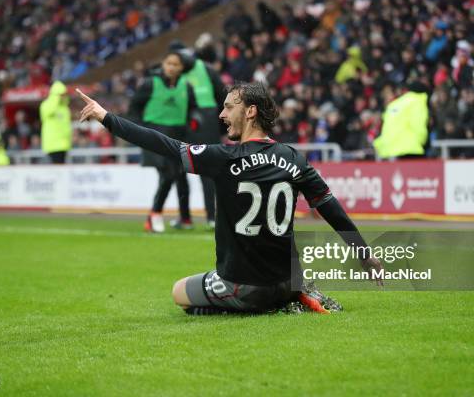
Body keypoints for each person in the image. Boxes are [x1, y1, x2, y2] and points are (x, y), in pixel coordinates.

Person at [77, 82, 383, 315]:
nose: (222, 114)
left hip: (245, 286)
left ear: (250, 111)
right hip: (287, 280)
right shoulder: (294, 158)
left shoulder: (223, 158)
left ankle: (258, 306)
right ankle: (294, 294)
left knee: (179, 293)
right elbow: (329, 206)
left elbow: (165, 146)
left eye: (228, 107)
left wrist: (106, 117)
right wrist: (363, 252)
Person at [127, 52, 196, 232]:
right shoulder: (150, 83)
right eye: (168, 63)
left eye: (176, 64)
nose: (171, 67)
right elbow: (134, 107)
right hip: (154, 134)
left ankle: (185, 218)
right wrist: (139, 130)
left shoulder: (186, 86)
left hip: (178, 136)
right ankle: (154, 215)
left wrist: (194, 122)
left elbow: (192, 110)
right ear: (163, 65)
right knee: (168, 173)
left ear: (182, 68)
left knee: (180, 175)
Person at [172, 42, 226, 228]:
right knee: (208, 171)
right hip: (207, 123)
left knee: (180, 171)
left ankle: (186, 218)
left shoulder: (175, 73)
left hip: (185, 123)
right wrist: (222, 129)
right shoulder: (207, 69)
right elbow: (223, 97)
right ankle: (212, 218)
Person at [373, 82, 429, 159]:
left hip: (390, 150)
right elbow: (418, 123)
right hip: (411, 148)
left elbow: (387, 128)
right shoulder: (417, 101)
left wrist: (379, 145)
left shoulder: (395, 104)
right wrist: (422, 140)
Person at [40, 81, 72, 164]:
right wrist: (55, 99)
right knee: (56, 170)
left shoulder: (65, 108)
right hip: (53, 144)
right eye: (61, 94)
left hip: (64, 144)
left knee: (61, 169)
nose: (63, 96)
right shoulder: (46, 105)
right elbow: (46, 112)